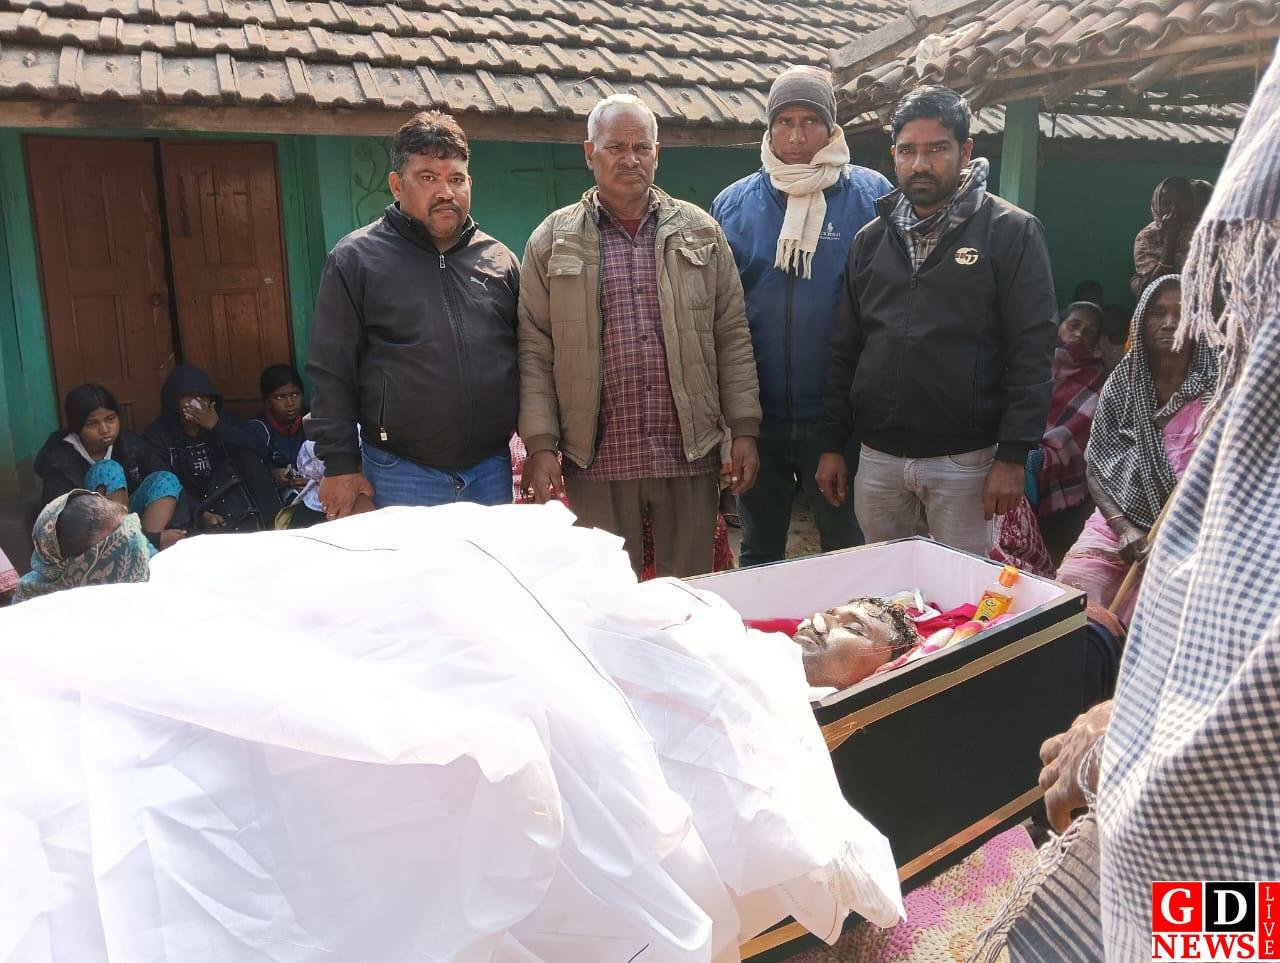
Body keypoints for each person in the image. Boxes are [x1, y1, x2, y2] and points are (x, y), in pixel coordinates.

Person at [981, 57, 1280, 959]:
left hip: (1237, 859)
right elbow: (1112, 467)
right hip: (1129, 530)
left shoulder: (1222, 385)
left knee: (1216, 927)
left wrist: (1136, 727)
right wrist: (1127, 712)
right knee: (1075, 599)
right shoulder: (1178, 389)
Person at [518, 94, 762, 578]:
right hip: (596, 458)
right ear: (590, 153)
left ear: (657, 154)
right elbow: (535, 349)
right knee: (608, 596)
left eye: (641, 147)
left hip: (686, 453)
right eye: (616, 147)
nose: (629, 159)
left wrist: (744, 429)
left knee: (689, 594)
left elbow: (731, 335)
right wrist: (541, 444)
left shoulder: (701, 232)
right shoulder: (552, 240)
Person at [816, 86, 1057, 557]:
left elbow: (1033, 350)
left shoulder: (1010, 232)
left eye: (937, 149)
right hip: (879, 459)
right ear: (894, 154)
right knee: (886, 587)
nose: (920, 164)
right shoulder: (870, 240)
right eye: (908, 150)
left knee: (961, 592)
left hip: (965, 462)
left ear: (965, 151)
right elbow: (846, 347)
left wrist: (1013, 455)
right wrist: (831, 443)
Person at [710, 66, 892, 566]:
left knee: (844, 550)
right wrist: (734, 422)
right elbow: (718, 312)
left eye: (810, 121)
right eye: (784, 122)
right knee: (760, 550)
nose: (796, 136)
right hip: (757, 416)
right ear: (769, 130)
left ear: (831, 129)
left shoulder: (872, 198)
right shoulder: (733, 205)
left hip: (839, 418)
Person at [307, 111, 520, 517]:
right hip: (401, 471)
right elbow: (331, 369)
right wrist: (340, 465)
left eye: (456, 179)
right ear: (396, 184)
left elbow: (528, 357)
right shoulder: (356, 260)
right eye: (428, 177)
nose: (445, 192)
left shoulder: (499, 261)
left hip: (490, 470)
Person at [1056, 275, 1216, 625]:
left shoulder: (1218, 389)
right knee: (1073, 593)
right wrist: (1124, 527)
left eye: (1182, 313)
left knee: (1159, 619)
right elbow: (1096, 465)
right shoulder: (1121, 383)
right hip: (1117, 521)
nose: (1170, 322)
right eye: (1158, 312)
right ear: (1142, 320)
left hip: (1192, 535)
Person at [34, 384, 186, 549]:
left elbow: (165, 479)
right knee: (107, 470)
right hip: (86, 530)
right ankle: (134, 545)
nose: (105, 429)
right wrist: (154, 539)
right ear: (77, 427)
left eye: (110, 419)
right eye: (93, 424)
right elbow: (60, 518)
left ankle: (143, 550)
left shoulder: (129, 444)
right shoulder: (60, 459)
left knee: (166, 479)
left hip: (132, 522)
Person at [143, 364, 278, 532]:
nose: (195, 403)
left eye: (201, 396)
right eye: (188, 397)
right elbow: (163, 481)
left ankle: (273, 527)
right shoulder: (158, 435)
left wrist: (217, 426)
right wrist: (200, 513)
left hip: (230, 497)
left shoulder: (223, 420)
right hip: (187, 507)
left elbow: (260, 450)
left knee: (248, 457)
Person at [11, 490, 152, 603]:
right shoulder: (31, 607)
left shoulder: (152, 566)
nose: (139, 550)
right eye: (119, 548)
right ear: (76, 569)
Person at [1130, 176, 1197, 296]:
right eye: (1166, 204)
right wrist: (1170, 237)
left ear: (1191, 204)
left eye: (1180, 203)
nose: (1173, 209)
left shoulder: (1203, 233)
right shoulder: (1146, 237)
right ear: (1157, 205)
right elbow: (1154, 289)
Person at [251, 364, 308, 506]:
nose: (290, 403)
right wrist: (273, 474)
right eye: (280, 397)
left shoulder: (311, 420)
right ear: (267, 401)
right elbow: (251, 471)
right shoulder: (258, 428)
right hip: (276, 496)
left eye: (295, 394)